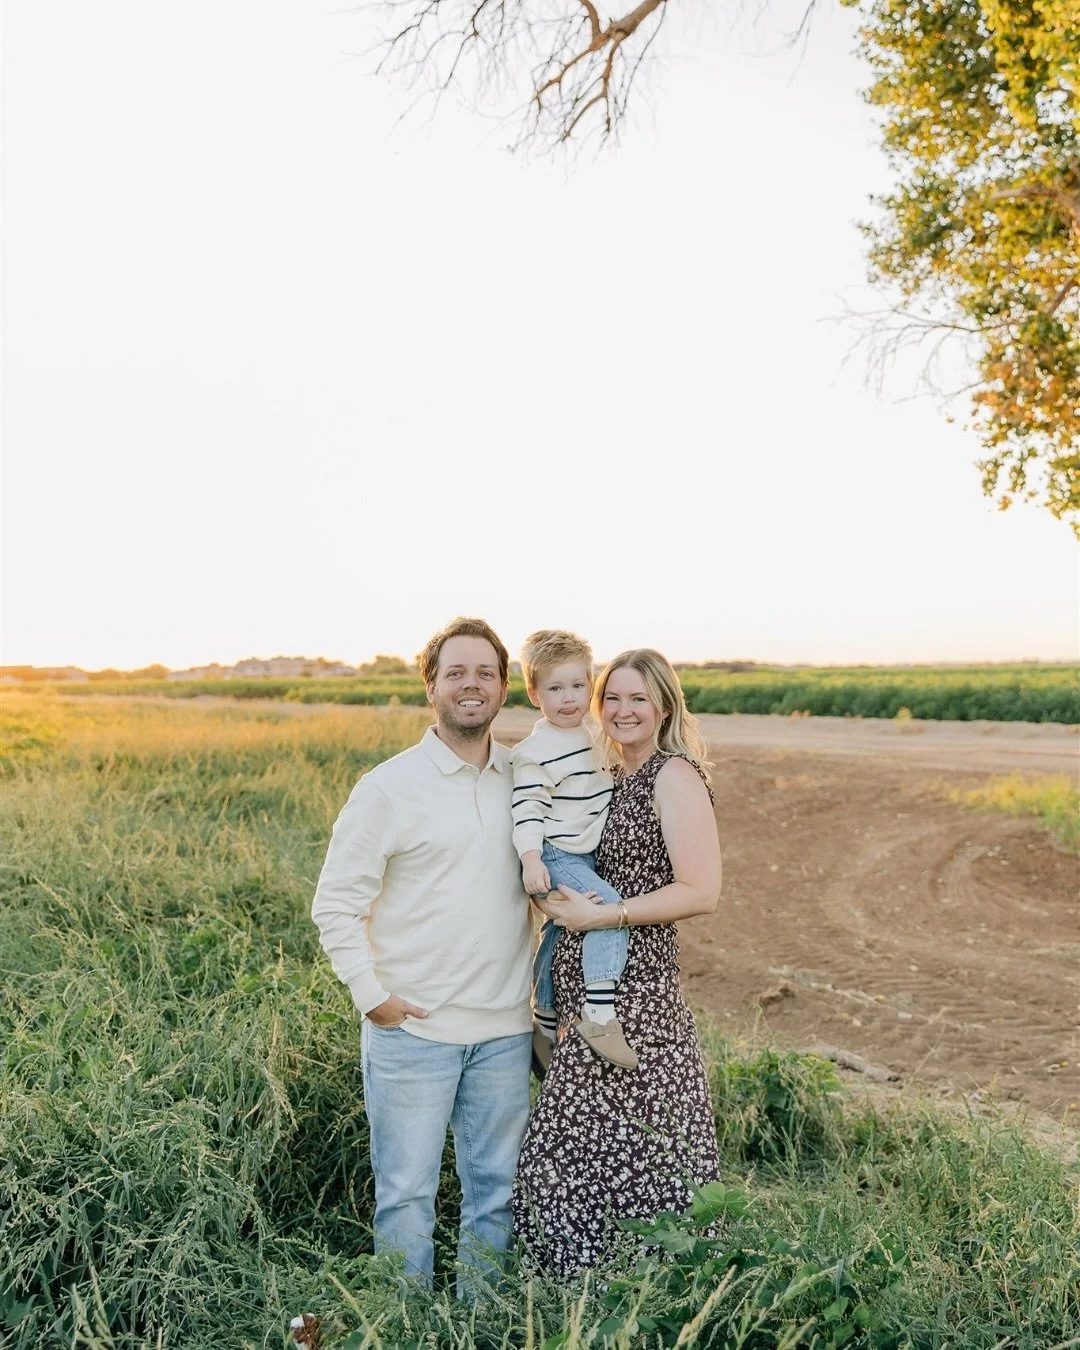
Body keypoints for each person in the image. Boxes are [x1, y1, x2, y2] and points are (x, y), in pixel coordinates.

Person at [311, 617, 533, 1296]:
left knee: (496, 1192)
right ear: (430, 685)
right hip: (413, 1032)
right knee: (406, 1195)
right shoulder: (388, 787)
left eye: (486, 673)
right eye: (456, 673)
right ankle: (404, 1327)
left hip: (504, 1032)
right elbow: (335, 904)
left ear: (502, 688)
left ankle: (482, 1322)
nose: (472, 685)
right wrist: (372, 996)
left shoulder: (524, 778)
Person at [512, 648, 723, 1276]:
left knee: (628, 1150)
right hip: (586, 988)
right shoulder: (608, 775)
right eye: (613, 698)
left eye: (638, 698)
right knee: (586, 1150)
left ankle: (655, 1294)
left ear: (663, 705)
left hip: (638, 996)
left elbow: (701, 891)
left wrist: (603, 916)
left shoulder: (671, 776)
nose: (623, 711)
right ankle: (581, 1298)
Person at [510, 629, 636, 1072]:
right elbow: (526, 809)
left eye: (578, 686)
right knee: (607, 907)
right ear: (533, 693)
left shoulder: (595, 738)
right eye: (555, 688)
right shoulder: (535, 752)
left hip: (582, 855)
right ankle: (599, 1012)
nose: (568, 698)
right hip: (554, 852)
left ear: (591, 685)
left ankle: (543, 1016)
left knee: (559, 931)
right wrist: (530, 859)